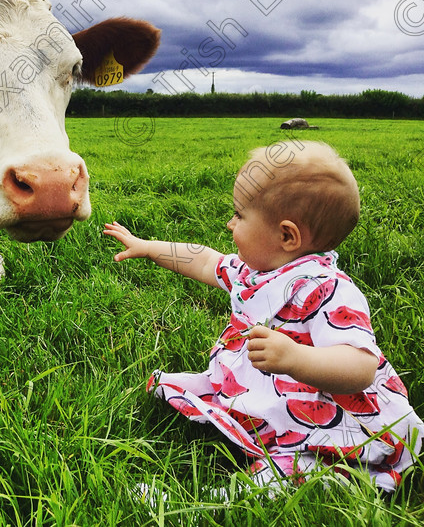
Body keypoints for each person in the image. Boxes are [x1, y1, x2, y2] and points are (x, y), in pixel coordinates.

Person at [104, 140, 423, 492]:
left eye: (240, 215)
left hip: (321, 410)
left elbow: (361, 367)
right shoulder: (253, 271)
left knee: (295, 473)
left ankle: (222, 501)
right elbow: (207, 260)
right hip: (269, 388)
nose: (229, 224)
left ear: (286, 235)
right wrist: (148, 247)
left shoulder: (329, 291)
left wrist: (296, 358)